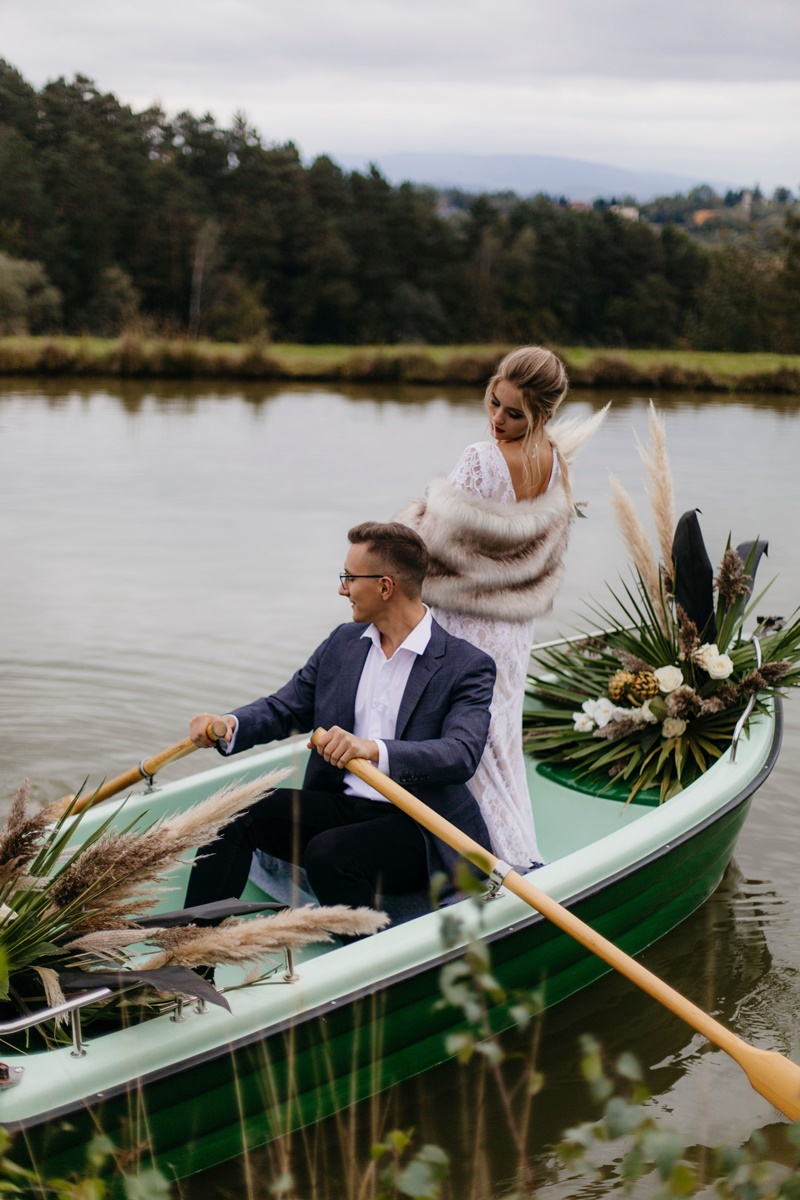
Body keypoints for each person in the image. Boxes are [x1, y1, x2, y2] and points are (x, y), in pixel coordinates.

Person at [184, 521, 496, 914]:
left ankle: (376, 960)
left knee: (329, 853)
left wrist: (372, 750)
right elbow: (287, 706)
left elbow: (461, 753)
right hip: (343, 806)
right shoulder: (343, 643)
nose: (341, 589)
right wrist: (230, 724)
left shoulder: (466, 664)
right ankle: (190, 957)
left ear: (385, 586)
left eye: (349, 577)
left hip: (419, 827)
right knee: (234, 813)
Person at [397, 347, 607, 869]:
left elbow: (436, 544)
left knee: (455, 733)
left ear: (542, 412)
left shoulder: (480, 458)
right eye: (494, 403)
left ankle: (473, 859)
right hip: (513, 626)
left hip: (464, 618)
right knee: (498, 738)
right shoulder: (556, 462)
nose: (497, 419)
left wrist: (412, 518)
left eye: (514, 413)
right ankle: (513, 851)